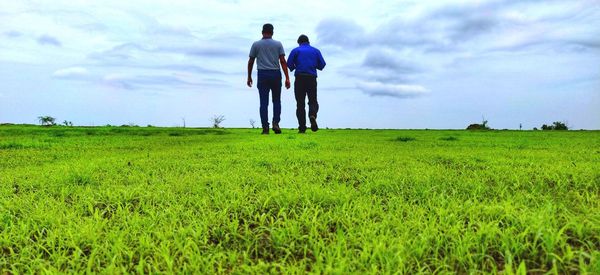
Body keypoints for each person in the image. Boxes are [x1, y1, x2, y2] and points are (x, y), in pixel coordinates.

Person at [247, 23, 291, 135]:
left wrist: (249, 76)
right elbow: (282, 61)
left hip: (262, 74)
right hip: (276, 74)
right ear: (272, 32)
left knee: (263, 102)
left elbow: (251, 61)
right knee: (276, 101)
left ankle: (265, 127)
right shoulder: (278, 44)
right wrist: (287, 77)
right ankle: (276, 123)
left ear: (262, 32)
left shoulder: (256, 44)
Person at [286, 34, 326, 133]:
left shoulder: (296, 50)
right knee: (313, 100)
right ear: (308, 42)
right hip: (311, 78)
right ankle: (312, 115)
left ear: (299, 42)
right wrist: (312, 65)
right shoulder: (316, 51)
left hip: (299, 78)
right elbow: (322, 65)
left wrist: (297, 66)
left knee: (300, 104)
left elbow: (289, 64)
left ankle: (302, 127)